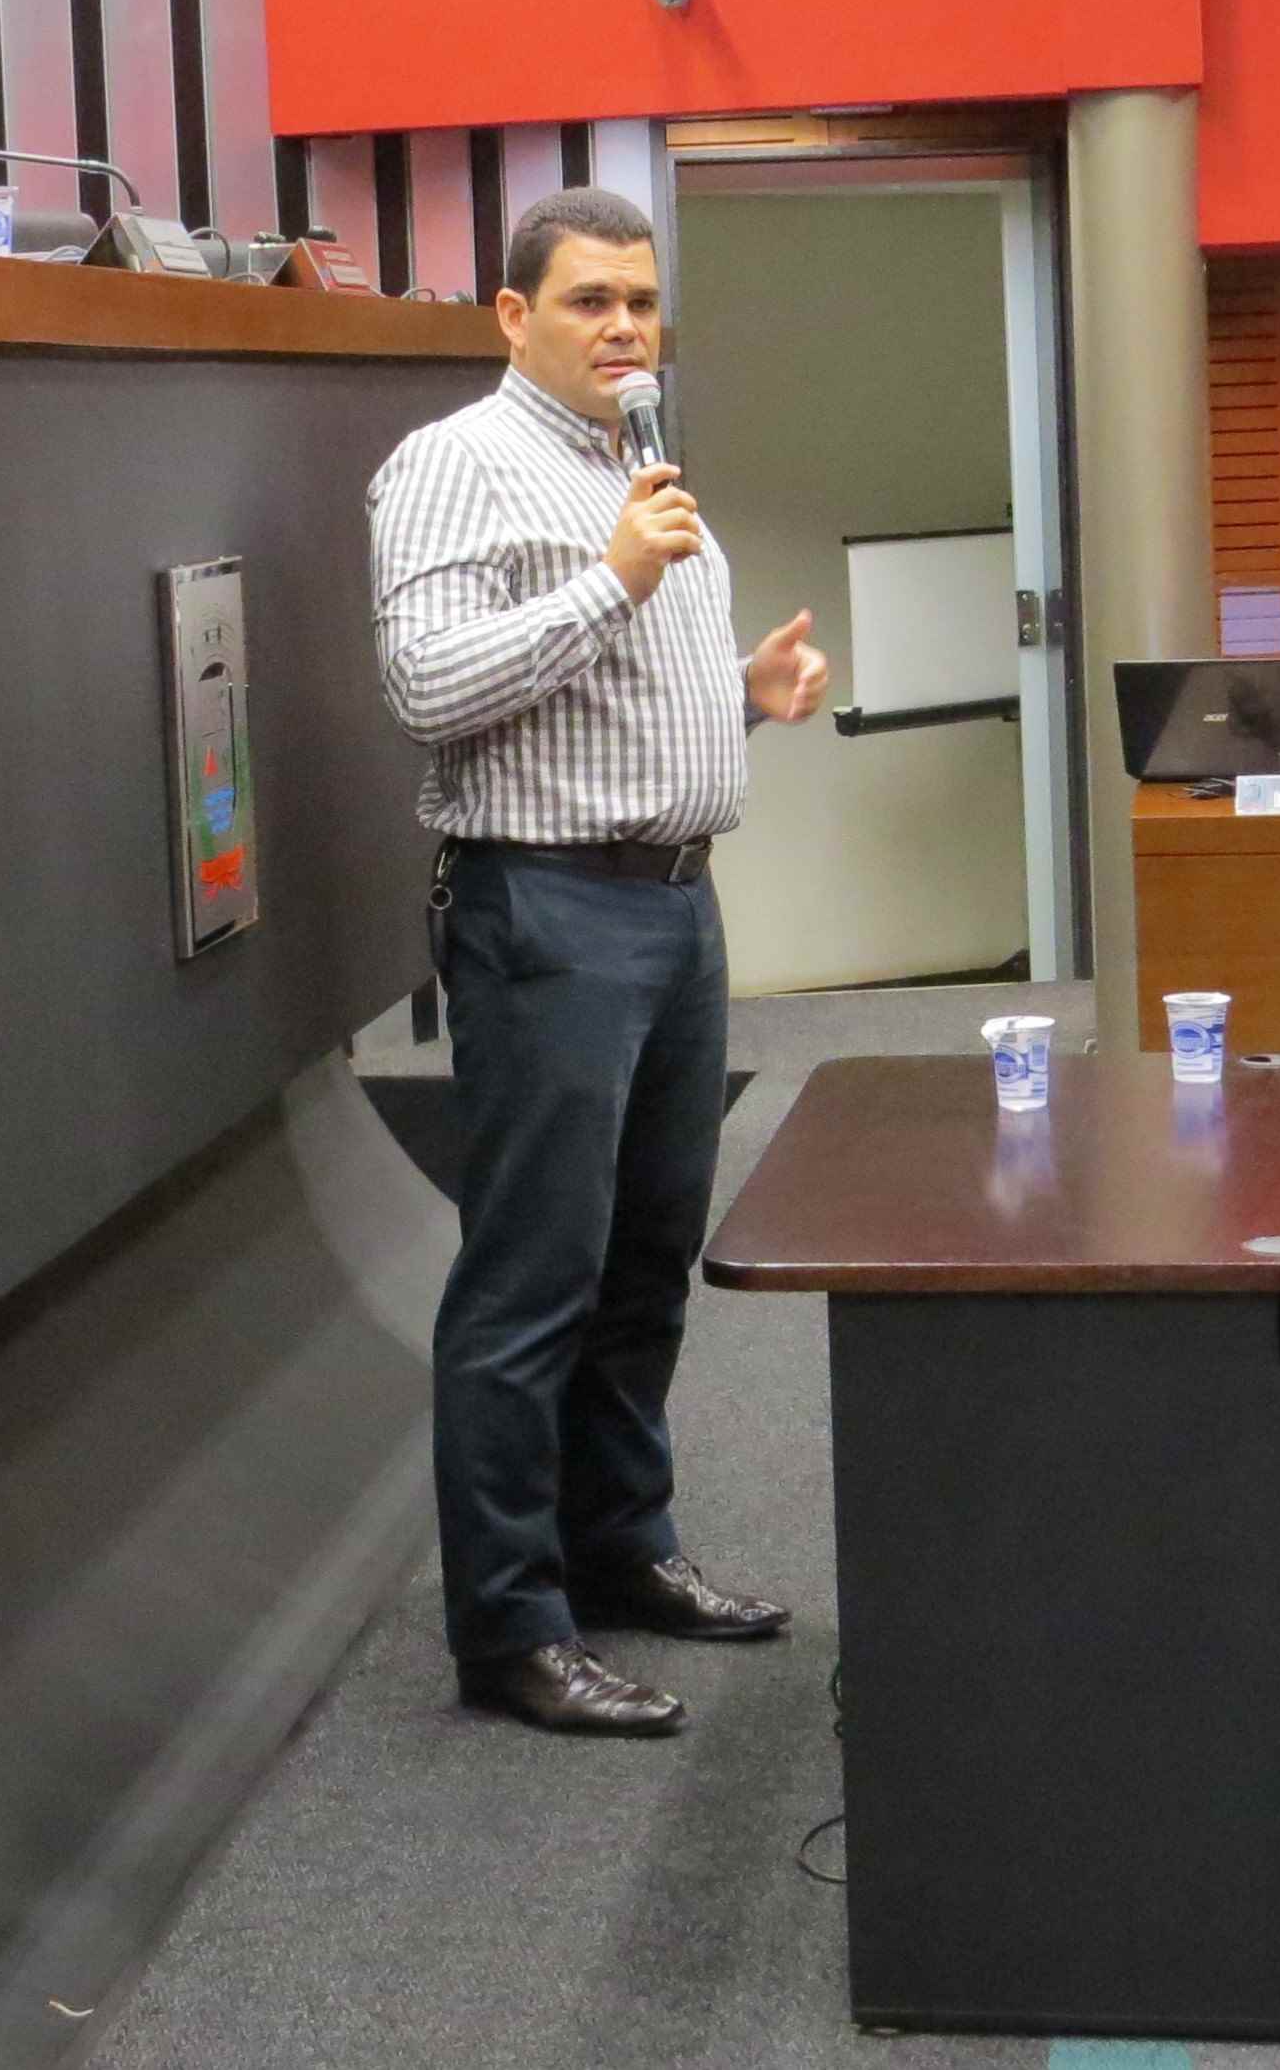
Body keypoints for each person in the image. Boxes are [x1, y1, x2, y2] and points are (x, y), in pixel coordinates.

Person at [366, 186, 828, 1739]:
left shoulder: (631, 457)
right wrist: (613, 579)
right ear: (512, 316)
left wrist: (738, 692)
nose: (624, 326)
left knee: (642, 1265)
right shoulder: (453, 463)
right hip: (546, 913)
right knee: (532, 1282)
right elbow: (426, 687)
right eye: (587, 300)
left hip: (673, 908)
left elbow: (598, 688)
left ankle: (617, 1548)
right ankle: (508, 1628)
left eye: (639, 300)